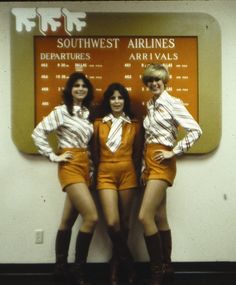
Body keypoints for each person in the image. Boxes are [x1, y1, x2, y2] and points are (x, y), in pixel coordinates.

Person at [138, 63, 202, 285]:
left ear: (165, 81)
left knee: (144, 216)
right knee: (159, 216)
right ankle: (167, 266)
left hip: (162, 161)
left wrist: (173, 151)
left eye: (158, 79)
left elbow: (196, 130)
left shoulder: (173, 103)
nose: (154, 83)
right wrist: (143, 166)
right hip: (149, 161)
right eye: (150, 80)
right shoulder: (150, 104)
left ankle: (156, 271)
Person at [32, 72, 98, 285]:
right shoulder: (61, 111)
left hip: (85, 165)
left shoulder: (87, 113)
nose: (80, 89)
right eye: (76, 85)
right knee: (91, 217)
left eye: (84, 86)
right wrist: (53, 155)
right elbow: (38, 133)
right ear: (70, 89)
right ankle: (79, 270)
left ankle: (60, 269)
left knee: (67, 220)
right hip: (69, 165)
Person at [93, 83, 142, 285]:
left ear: (125, 101)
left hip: (128, 173)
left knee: (124, 223)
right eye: (112, 98)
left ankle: (114, 266)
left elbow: (138, 155)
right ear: (108, 101)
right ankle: (128, 262)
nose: (116, 101)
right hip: (105, 173)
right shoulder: (98, 124)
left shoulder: (134, 125)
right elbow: (95, 154)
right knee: (112, 223)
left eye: (120, 98)